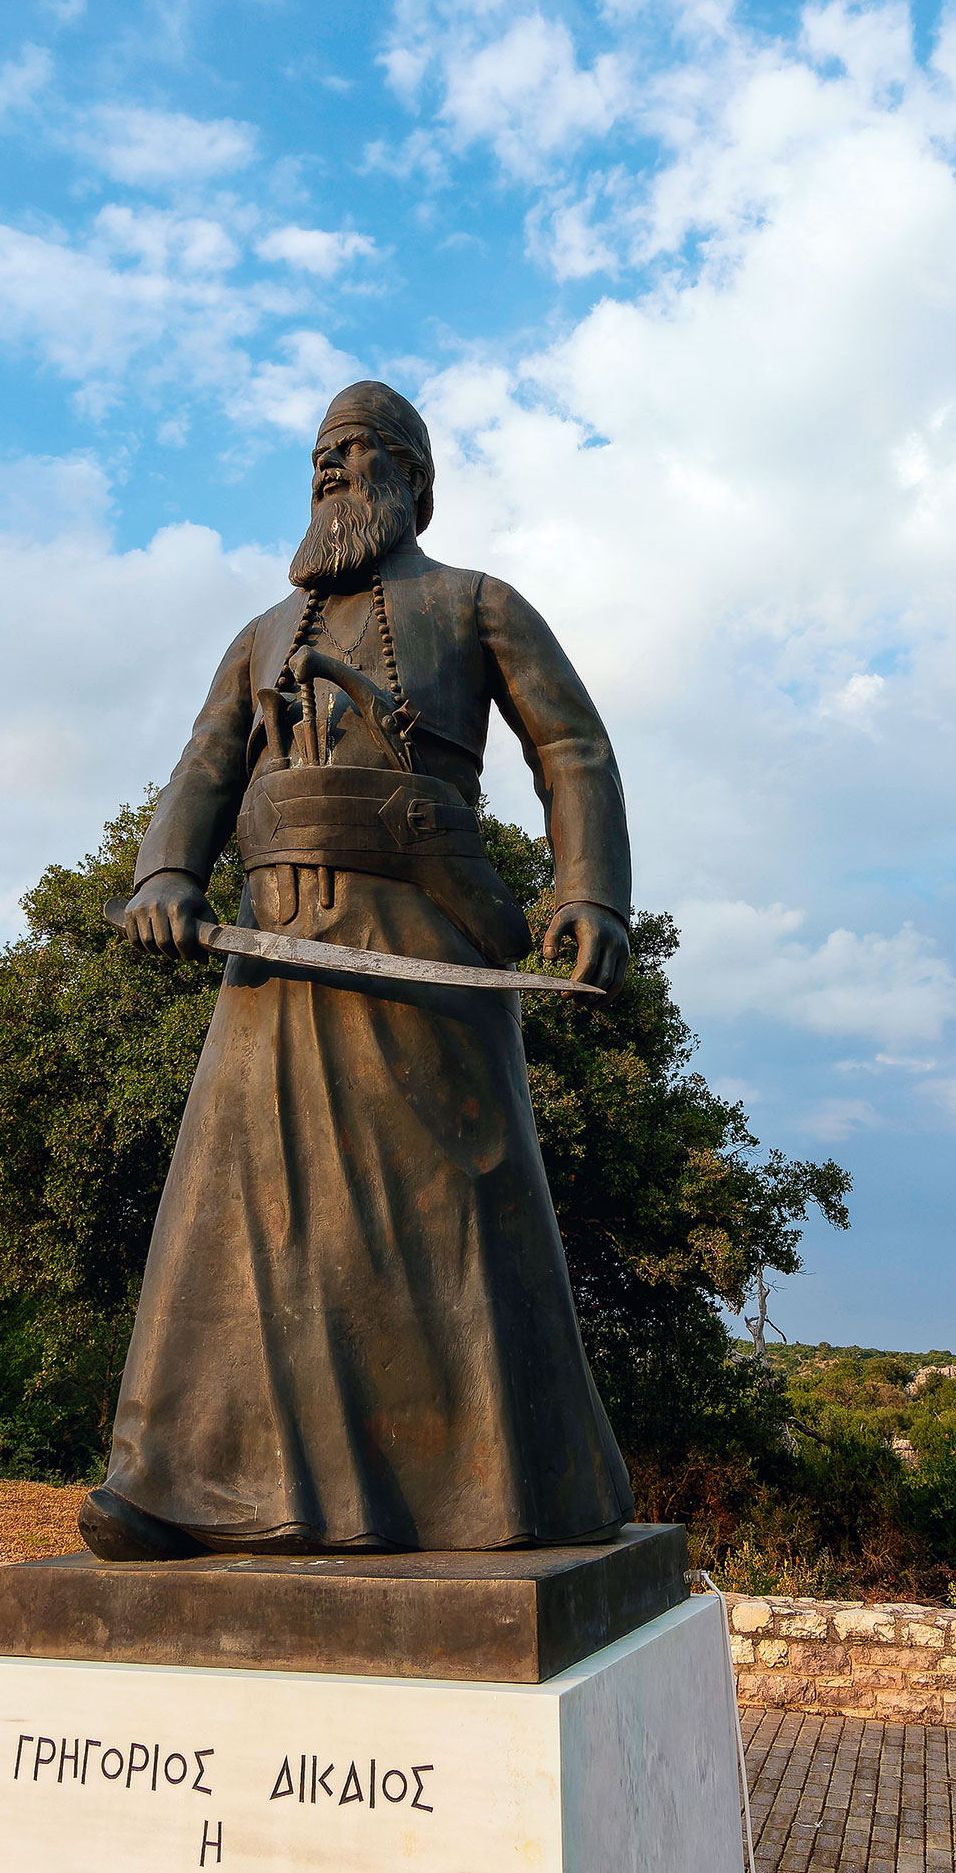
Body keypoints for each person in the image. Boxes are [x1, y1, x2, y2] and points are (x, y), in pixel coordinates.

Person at [80, 380, 636, 1559]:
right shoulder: (260, 636)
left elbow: (573, 747)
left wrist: (588, 893)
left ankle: (502, 1496)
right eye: (322, 452)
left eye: (361, 448)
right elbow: (204, 766)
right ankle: (180, 1482)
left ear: (414, 479)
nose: (333, 465)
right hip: (276, 955)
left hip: (423, 948)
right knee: (237, 1216)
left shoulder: (478, 602)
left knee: (451, 1222)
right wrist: (165, 873)